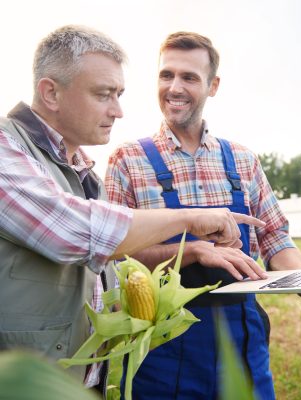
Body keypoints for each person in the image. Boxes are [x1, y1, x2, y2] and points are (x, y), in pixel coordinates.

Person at [0, 25, 266, 398]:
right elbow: (75, 232)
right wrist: (190, 221)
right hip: (25, 382)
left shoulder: (82, 170)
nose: (118, 110)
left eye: (119, 94)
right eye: (104, 95)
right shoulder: (6, 148)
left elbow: (109, 267)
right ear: (51, 93)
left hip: (74, 381)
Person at [105, 31, 301, 400]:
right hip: (162, 344)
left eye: (189, 77)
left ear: (213, 85)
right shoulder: (127, 160)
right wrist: (191, 251)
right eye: (166, 75)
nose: (174, 87)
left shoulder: (243, 160)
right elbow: (112, 253)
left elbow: (275, 238)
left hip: (242, 338)